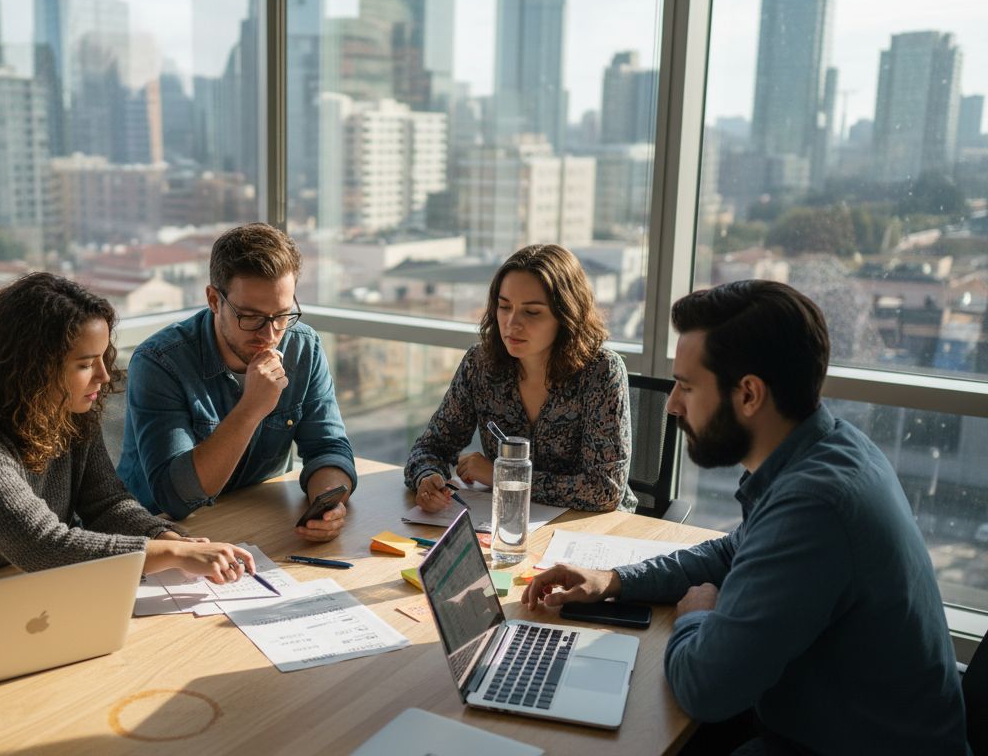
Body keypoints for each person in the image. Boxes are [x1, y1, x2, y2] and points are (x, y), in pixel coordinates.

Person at [522, 281, 968, 754]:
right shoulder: (828, 449)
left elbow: (704, 689)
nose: (672, 404)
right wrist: (612, 581)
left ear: (749, 395)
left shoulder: (814, 504)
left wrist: (697, 616)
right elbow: (732, 552)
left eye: (688, 386)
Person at [0, 273, 255, 610]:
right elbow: (44, 545)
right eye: (86, 364)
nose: (104, 376)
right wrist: (172, 553)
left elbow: (107, 505)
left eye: (103, 357)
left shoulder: (67, 414)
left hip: (11, 599)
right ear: (32, 369)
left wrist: (167, 537)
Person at [117, 223, 356, 540]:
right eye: (251, 317)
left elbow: (329, 448)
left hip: (255, 523)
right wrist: (252, 408)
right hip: (161, 537)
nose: (270, 335)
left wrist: (327, 503)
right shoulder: (160, 362)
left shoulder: (303, 347)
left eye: (282, 315)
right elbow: (175, 498)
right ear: (214, 300)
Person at [405, 244, 637, 512]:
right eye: (504, 307)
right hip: (503, 520)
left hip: (588, 530)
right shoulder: (480, 364)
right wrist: (428, 478)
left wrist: (501, 476)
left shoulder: (602, 372)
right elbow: (430, 447)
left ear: (566, 315)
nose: (511, 323)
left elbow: (604, 489)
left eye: (532, 312)